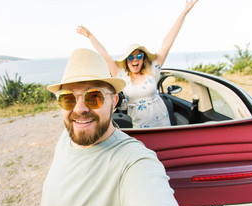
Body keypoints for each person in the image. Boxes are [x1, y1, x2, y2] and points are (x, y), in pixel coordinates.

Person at [39, 48, 189, 206]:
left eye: (94, 97)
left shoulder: (133, 161)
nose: (79, 109)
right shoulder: (66, 137)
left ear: (114, 102)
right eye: (68, 98)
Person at [77, 0, 198, 128]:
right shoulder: (121, 75)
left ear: (143, 58)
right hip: (138, 126)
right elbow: (105, 55)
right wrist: (90, 36)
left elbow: (167, 43)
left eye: (139, 56)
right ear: (126, 60)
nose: (135, 59)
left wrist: (185, 12)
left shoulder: (153, 70)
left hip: (162, 123)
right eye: (131, 57)